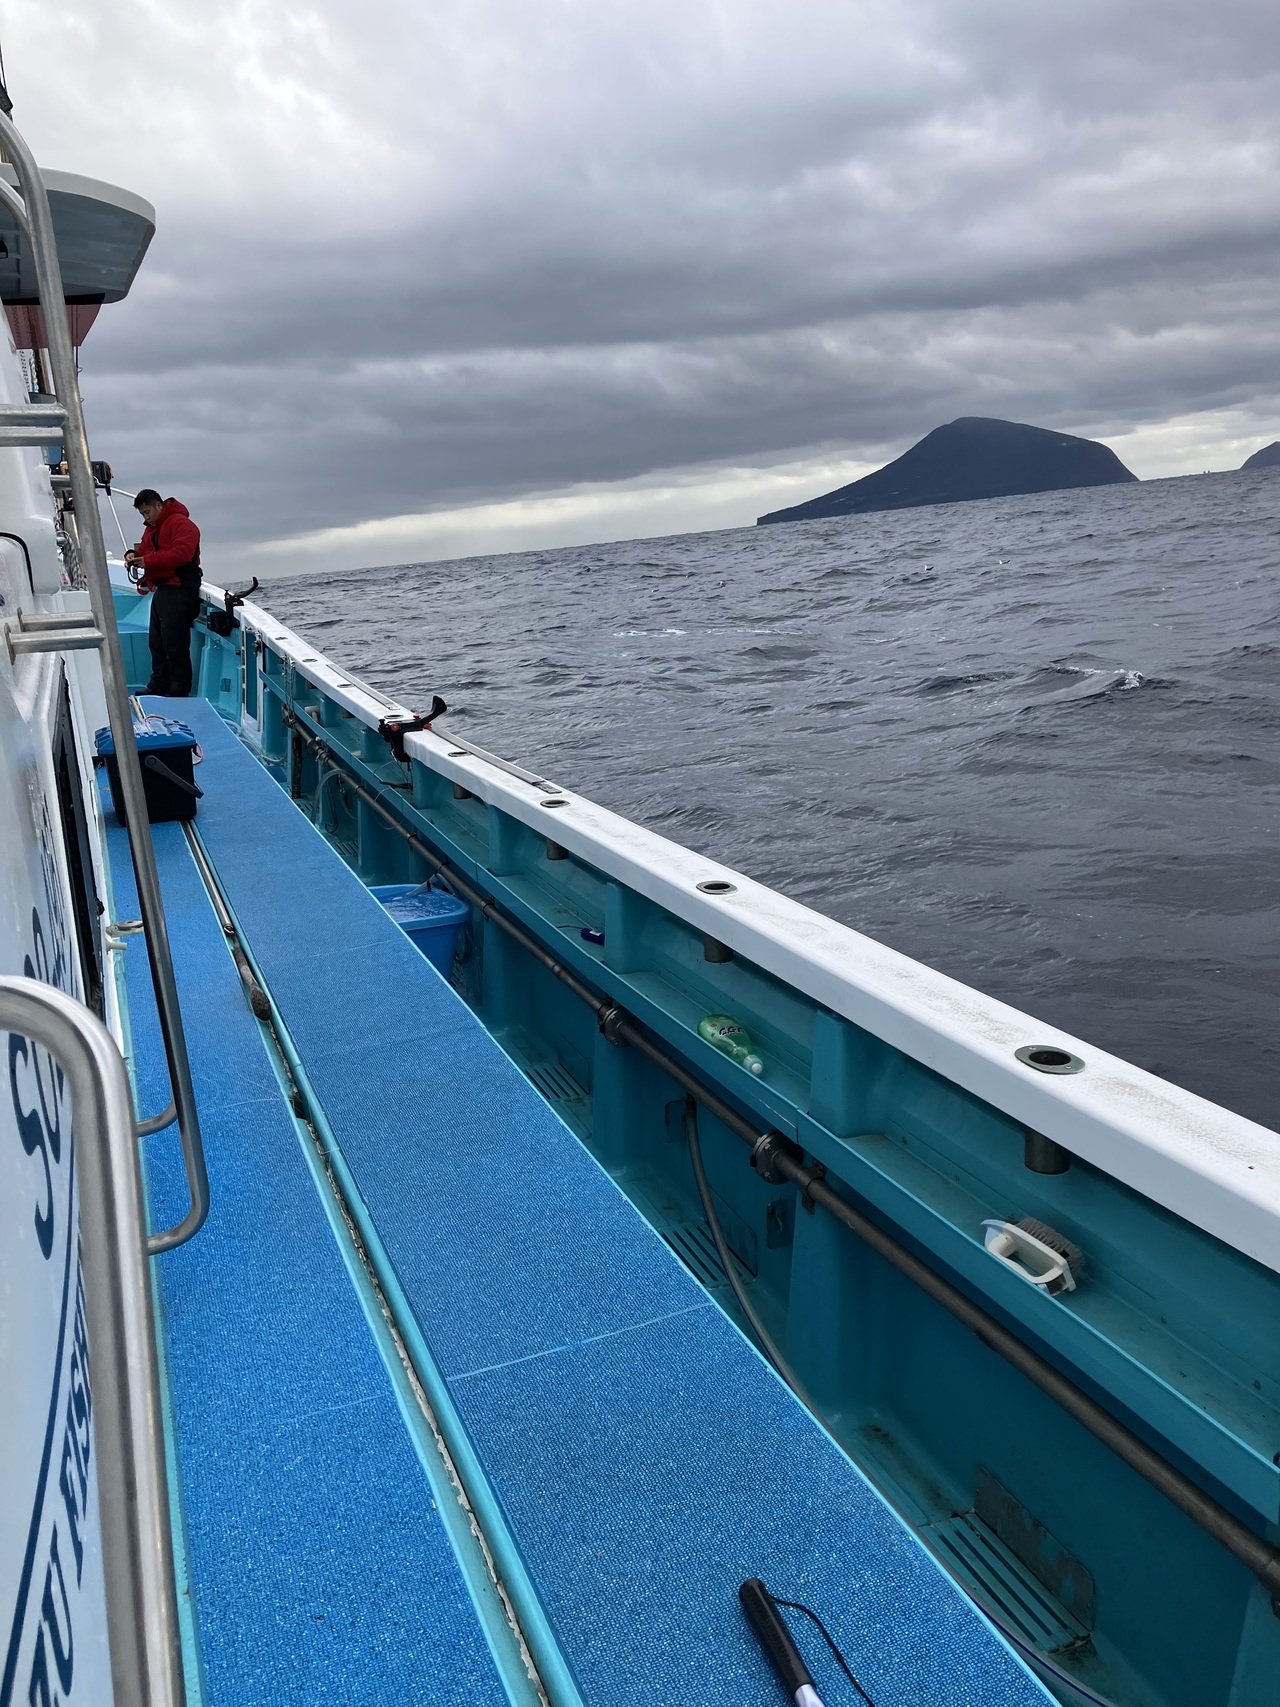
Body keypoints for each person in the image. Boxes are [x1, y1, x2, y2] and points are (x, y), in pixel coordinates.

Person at [125, 489, 202, 698]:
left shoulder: (182, 524)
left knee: (174, 641)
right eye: (142, 514)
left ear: (158, 506)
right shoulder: (151, 529)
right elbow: (144, 550)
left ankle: (179, 687)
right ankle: (159, 683)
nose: (146, 517)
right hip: (162, 589)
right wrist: (132, 555)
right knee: (157, 641)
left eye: (147, 512)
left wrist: (147, 561)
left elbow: (182, 554)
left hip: (180, 589)